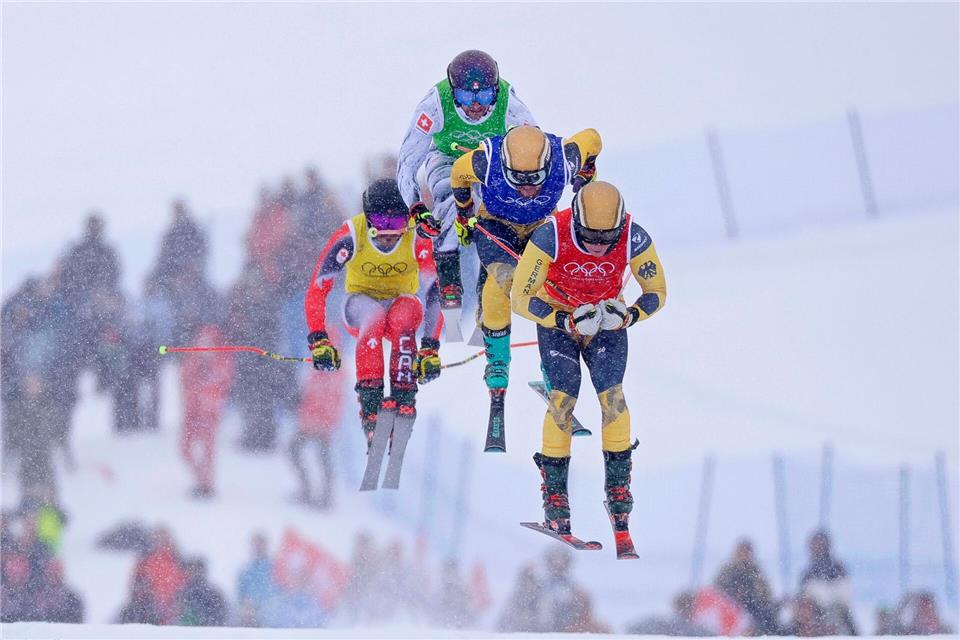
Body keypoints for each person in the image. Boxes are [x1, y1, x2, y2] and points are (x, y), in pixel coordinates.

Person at [510, 181, 666, 547]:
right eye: (589, 237)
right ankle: (555, 495)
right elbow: (520, 297)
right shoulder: (551, 235)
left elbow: (657, 291)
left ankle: (619, 489)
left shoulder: (633, 236)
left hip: (605, 319)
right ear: (575, 222)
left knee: (613, 397)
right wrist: (563, 321)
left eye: (607, 238)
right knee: (563, 398)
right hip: (559, 320)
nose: (598, 246)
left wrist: (629, 315)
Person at [449, 125, 601, 433]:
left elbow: (594, 138)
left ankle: (551, 367)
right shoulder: (485, 163)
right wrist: (464, 213)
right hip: (496, 226)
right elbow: (457, 173)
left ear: (548, 166)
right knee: (503, 286)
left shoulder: (564, 159)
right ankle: (498, 361)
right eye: (517, 179)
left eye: (535, 179)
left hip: (542, 225)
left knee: (548, 290)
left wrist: (587, 171)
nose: (527, 188)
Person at [397, 50, 535, 318]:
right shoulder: (434, 104)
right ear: (453, 92)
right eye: (465, 97)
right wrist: (416, 207)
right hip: (447, 158)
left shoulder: (511, 105)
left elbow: (536, 149)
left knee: (489, 209)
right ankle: (449, 277)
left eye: (484, 96)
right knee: (448, 201)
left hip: (490, 162)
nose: (475, 106)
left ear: (495, 91)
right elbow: (407, 163)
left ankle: (490, 281)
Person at [304, 179, 442, 447]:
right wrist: (319, 339)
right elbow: (318, 286)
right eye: (380, 221)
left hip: (400, 303)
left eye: (398, 222)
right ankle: (371, 405)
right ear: (368, 218)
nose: (390, 232)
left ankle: (404, 397)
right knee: (374, 318)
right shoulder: (351, 235)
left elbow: (437, 292)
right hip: (360, 305)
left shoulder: (417, 236)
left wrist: (430, 348)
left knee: (406, 314)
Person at [179, 325, 235, 498]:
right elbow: (184, 378)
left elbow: (222, 385)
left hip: (210, 412)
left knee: (207, 450)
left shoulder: (224, 361)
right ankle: (200, 479)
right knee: (185, 449)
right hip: (192, 410)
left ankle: (207, 484)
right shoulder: (193, 359)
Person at [291, 369, 343, 507]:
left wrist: (324, 421)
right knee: (299, 452)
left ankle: (320, 496)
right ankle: (312, 493)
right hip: (313, 420)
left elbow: (330, 396)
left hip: (319, 422)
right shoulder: (323, 363)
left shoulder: (333, 366)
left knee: (321, 458)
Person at [713, 538, 780, 634]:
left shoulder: (757, 573)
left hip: (753, 614)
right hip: (728, 613)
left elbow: (766, 596)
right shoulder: (726, 572)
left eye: (746, 552)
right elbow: (716, 594)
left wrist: (750, 596)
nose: (743, 556)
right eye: (741, 552)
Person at [798, 529, 858, 635]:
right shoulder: (808, 572)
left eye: (818, 545)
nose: (815, 548)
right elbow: (803, 594)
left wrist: (820, 595)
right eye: (813, 545)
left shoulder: (837, 568)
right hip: (815, 616)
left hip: (836, 615)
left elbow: (844, 595)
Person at [176, 557, 227, 626]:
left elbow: (221, 616)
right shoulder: (182, 594)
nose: (195, 573)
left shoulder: (213, 594)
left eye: (197, 570)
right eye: (192, 570)